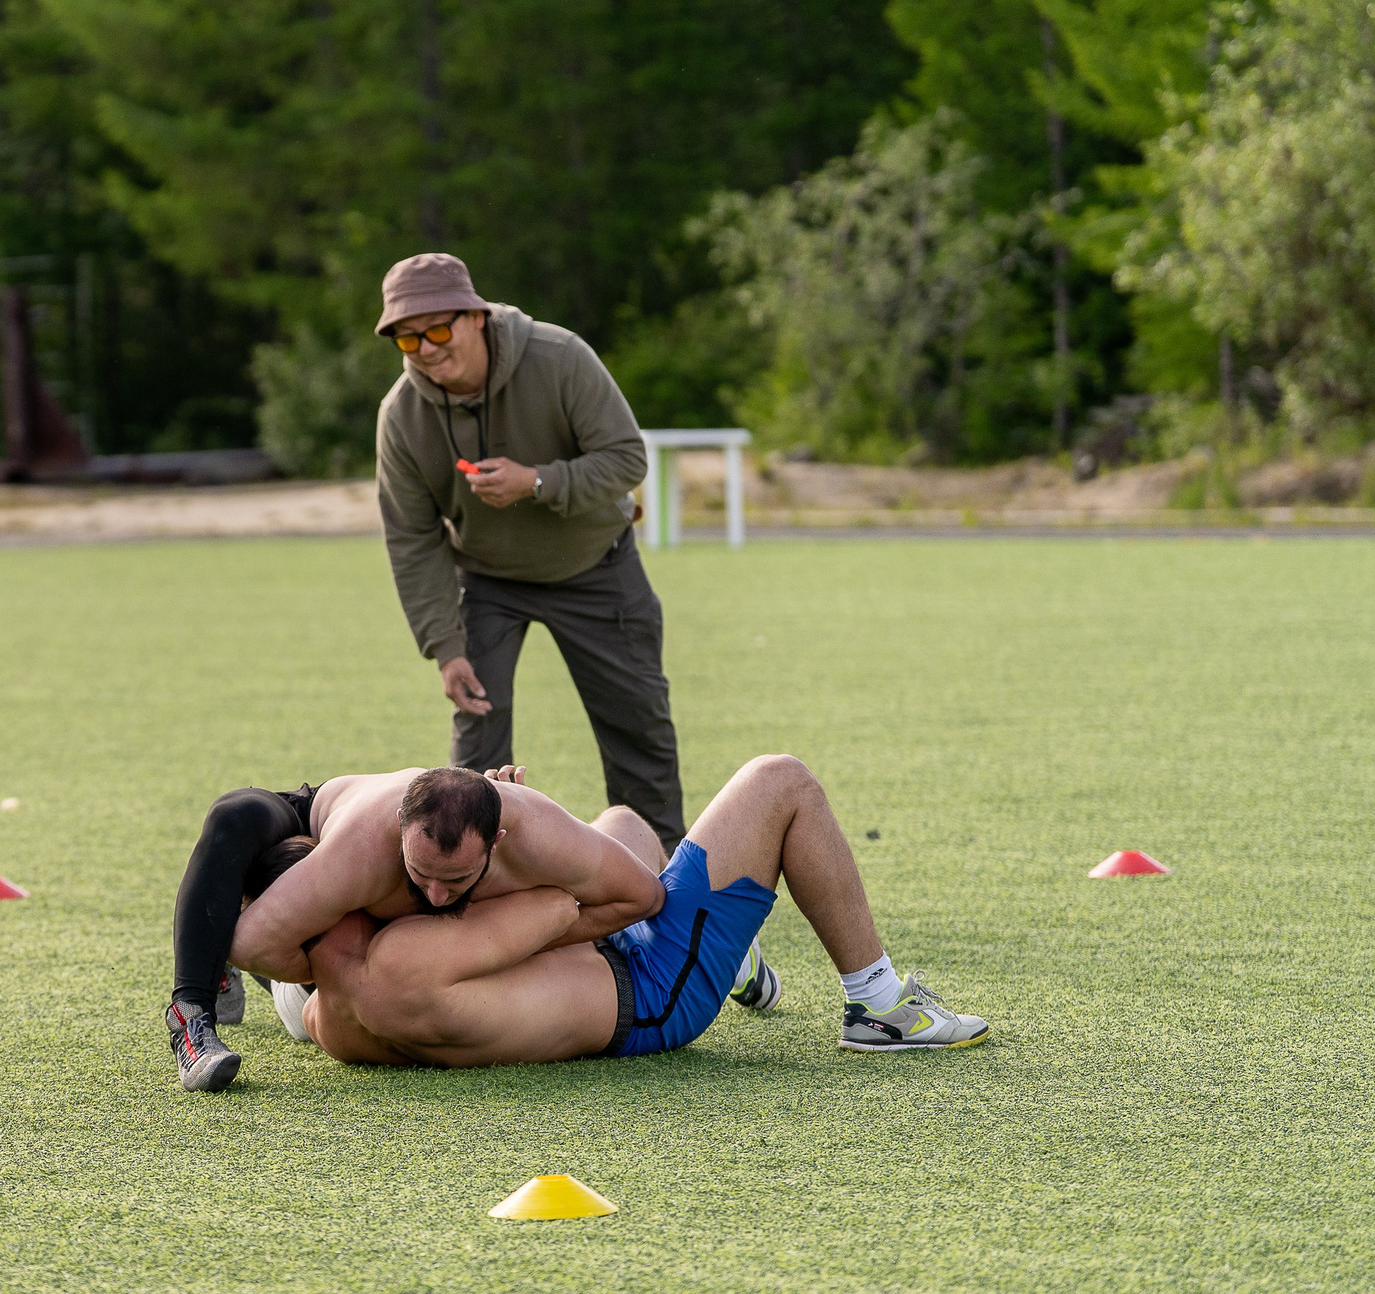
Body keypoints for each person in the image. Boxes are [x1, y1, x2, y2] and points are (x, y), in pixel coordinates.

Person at [242, 760, 988, 1070]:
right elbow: (566, 907)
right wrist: (527, 846)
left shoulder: (333, 1024)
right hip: (655, 987)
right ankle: (879, 1006)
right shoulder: (399, 963)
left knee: (623, 820)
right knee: (780, 783)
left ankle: (735, 949)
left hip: (611, 977)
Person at [164, 766, 782, 1092]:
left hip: (373, 938)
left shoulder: (458, 846)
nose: (433, 898)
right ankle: (192, 1007)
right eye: (419, 881)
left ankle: (733, 957)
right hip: (340, 940)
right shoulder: (356, 925)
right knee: (234, 817)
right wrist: (547, 912)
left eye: (453, 883)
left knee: (620, 824)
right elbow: (261, 939)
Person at [372, 253, 682, 852]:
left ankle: (662, 877)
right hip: (487, 581)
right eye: (408, 338)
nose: (426, 349)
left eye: (438, 329)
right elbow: (412, 537)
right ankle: (475, 873)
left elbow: (627, 459)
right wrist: (445, 647)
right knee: (476, 746)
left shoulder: (559, 357)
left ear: (476, 317)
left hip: (597, 564)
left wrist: (538, 482)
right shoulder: (401, 417)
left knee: (637, 729)